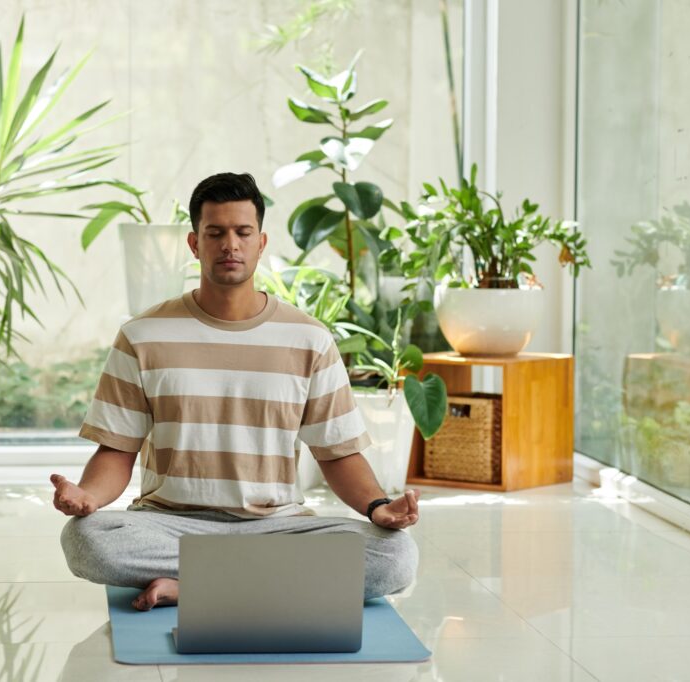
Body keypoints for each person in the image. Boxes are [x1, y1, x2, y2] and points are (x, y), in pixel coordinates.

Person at [51, 172, 420, 611]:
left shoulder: (309, 339)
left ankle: (194, 586)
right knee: (87, 542)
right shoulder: (143, 335)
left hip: (274, 527)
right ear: (195, 244)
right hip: (171, 526)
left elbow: (337, 453)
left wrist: (378, 507)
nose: (231, 245)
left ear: (261, 242)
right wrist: (89, 496)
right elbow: (117, 449)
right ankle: (257, 581)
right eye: (216, 233)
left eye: (243, 232)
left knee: (396, 558)